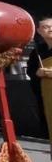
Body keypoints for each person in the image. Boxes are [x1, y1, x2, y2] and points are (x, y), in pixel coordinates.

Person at [29, 16, 52, 151]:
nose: (50, 29)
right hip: (46, 94)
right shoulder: (37, 52)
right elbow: (31, 71)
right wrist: (37, 73)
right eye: (46, 27)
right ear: (39, 31)